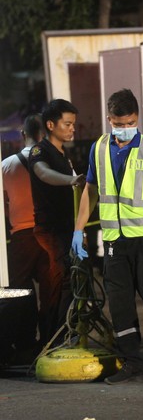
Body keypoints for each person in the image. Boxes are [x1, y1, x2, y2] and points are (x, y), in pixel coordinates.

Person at [71, 88, 143, 385]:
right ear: (109, 119)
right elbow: (91, 190)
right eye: (119, 124)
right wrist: (78, 229)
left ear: (137, 118)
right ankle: (133, 363)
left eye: (130, 123)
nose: (125, 129)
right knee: (120, 304)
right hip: (114, 240)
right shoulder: (98, 148)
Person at [29, 99, 85, 346]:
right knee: (57, 286)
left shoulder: (64, 154)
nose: (73, 128)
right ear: (51, 125)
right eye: (68, 124)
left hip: (67, 230)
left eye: (74, 124)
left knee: (71, 285)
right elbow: (43, 173)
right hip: (51, 230)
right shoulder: (39, 151)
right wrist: (70, 181)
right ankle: (51, 340)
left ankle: (66, 335)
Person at [0, 114, 48, 363]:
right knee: (52, 290)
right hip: (49, 235)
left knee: (21, 291)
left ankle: (24, 342)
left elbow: (2, 206)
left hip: (21, 236)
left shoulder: (6, 165)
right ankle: (52, 339)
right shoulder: (55, 161)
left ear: (23, 134)